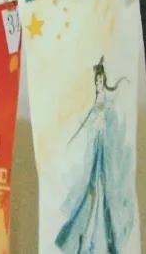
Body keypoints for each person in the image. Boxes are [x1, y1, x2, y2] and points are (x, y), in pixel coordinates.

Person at [55, 57, 133, 253]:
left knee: (101, 189)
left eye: (100, 81)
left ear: (104, 80)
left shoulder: (107, 103)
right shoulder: (96, 102)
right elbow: (88, 121)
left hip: (104, 152)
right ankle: (86, 240)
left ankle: (102, 242)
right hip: (96, 150)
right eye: (96, 81)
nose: (98, 84)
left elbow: (110, 123)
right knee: (91, 190)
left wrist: (102, 126)